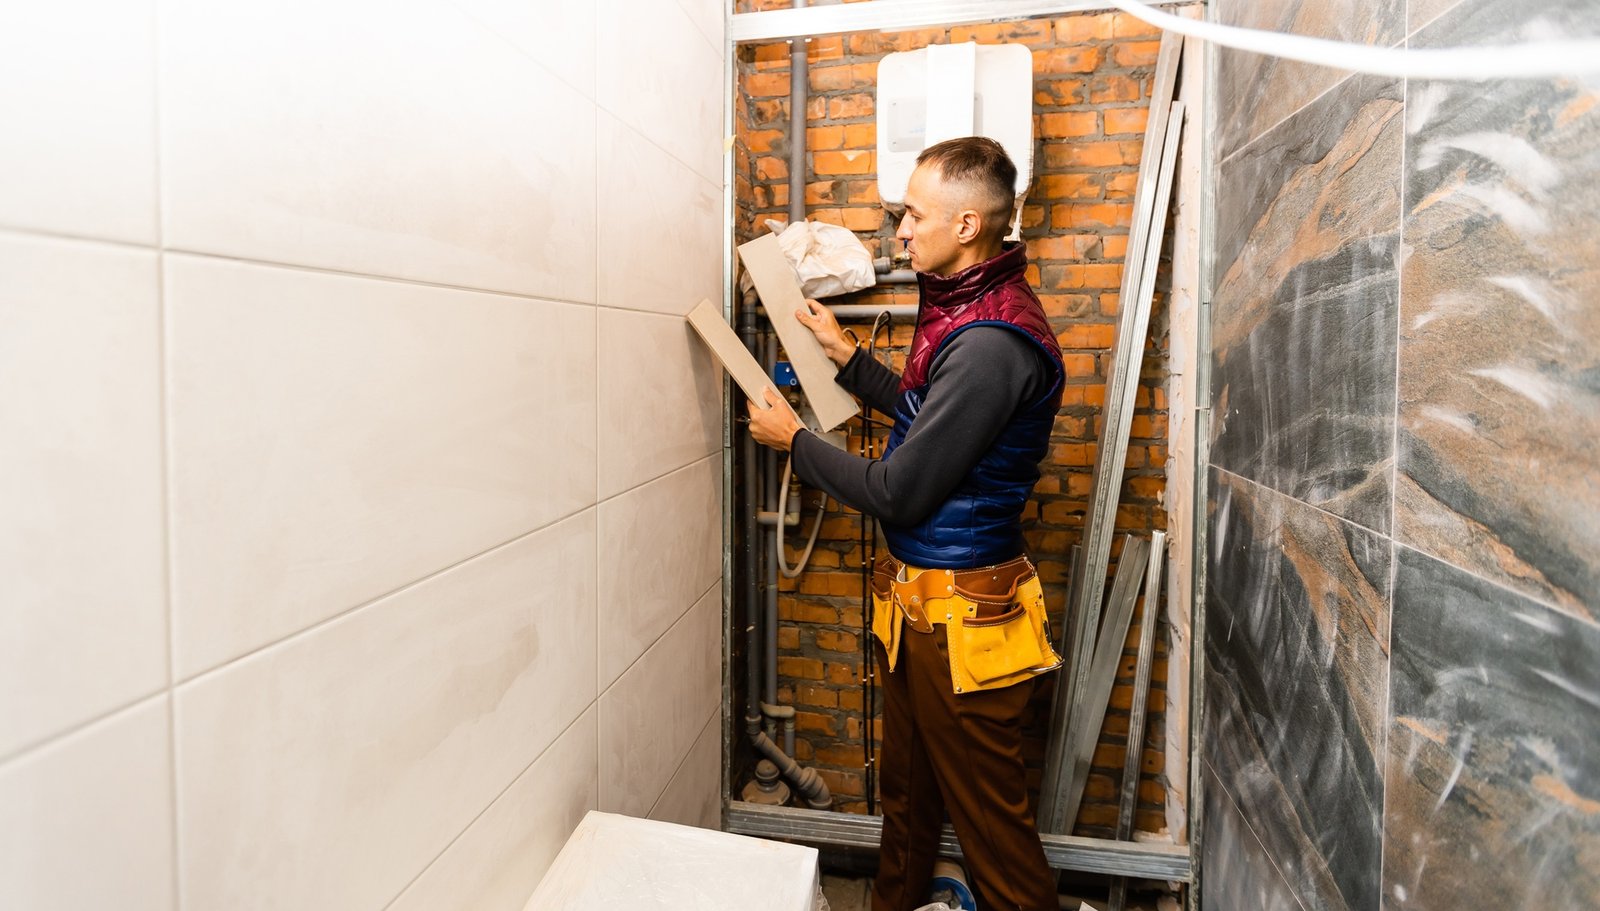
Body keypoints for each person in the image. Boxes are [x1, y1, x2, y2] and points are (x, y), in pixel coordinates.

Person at [746, 136, 1066, 911]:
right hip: (922, 611)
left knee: (995, 836)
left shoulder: (991, 342)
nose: (900, 231)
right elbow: (933, 416)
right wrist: (849, 357)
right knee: (910, 799)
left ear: (966, 224)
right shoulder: (963, 307)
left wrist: (797, 442)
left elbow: (901, 488)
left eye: (913, 216)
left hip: (966, 621)